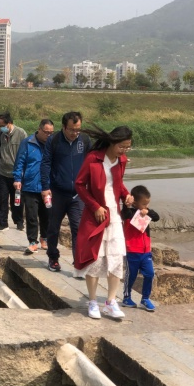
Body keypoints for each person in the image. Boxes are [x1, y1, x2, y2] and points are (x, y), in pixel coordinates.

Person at [74, 125, 134, 320]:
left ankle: (110, 302)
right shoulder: (93, 158)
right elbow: (80, 185)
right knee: (95, 258)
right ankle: (92, 301)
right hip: (96, 216)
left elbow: (118, 183)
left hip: (114, 215)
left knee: (116, 258)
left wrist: (126, 196)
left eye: (127, 147)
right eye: (121, 146)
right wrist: (95, 207)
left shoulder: (122, 160)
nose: (124, 151)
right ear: (112, 142)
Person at [40, 111, 91, 272]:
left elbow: (94, 160)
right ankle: (53, 258)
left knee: (78, 228)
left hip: (78, 194)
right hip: (57, 192)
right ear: (64, 127)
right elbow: (46, 164)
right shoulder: (54, 140)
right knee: (53, 227)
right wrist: (45, 187)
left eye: (78, 129)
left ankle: (78, 262)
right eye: (72, 130)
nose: (75, 133)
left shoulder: (84, 140)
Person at [13, 119, 55, 254]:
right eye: (46, 132)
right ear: (39, 129)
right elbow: (20, 162)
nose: (49, 135)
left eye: (51, 132)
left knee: (47, 214)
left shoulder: (53, 144)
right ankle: (32, 241)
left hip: (47, 186)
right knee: (31, 215)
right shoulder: (28, 142)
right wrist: (17, 178)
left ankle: (44, 238)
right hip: (30, 185)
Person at [121, 185, 160, 312]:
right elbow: (124, 213)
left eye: (147, 203)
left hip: (146, 251)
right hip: (132, 251)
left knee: (150, 273)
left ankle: (145, 298)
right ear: (135, 202)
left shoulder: (147, 212)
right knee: (131, 275)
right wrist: (127, 205)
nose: (145, 206)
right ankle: (127, 297)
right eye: (143, 204)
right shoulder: (129, 213)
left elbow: (157, 217)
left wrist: (147, 211)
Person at [0, 112, 27, 232]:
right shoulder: (2, 135)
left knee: (17, 199)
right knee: (2, 198)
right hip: (3, 172)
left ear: (9, 123)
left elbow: (26, 152)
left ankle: (19, 221)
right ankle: (3, 223)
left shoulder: (21, 133)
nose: (0, 128)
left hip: (16, 174)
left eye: (2, 125)